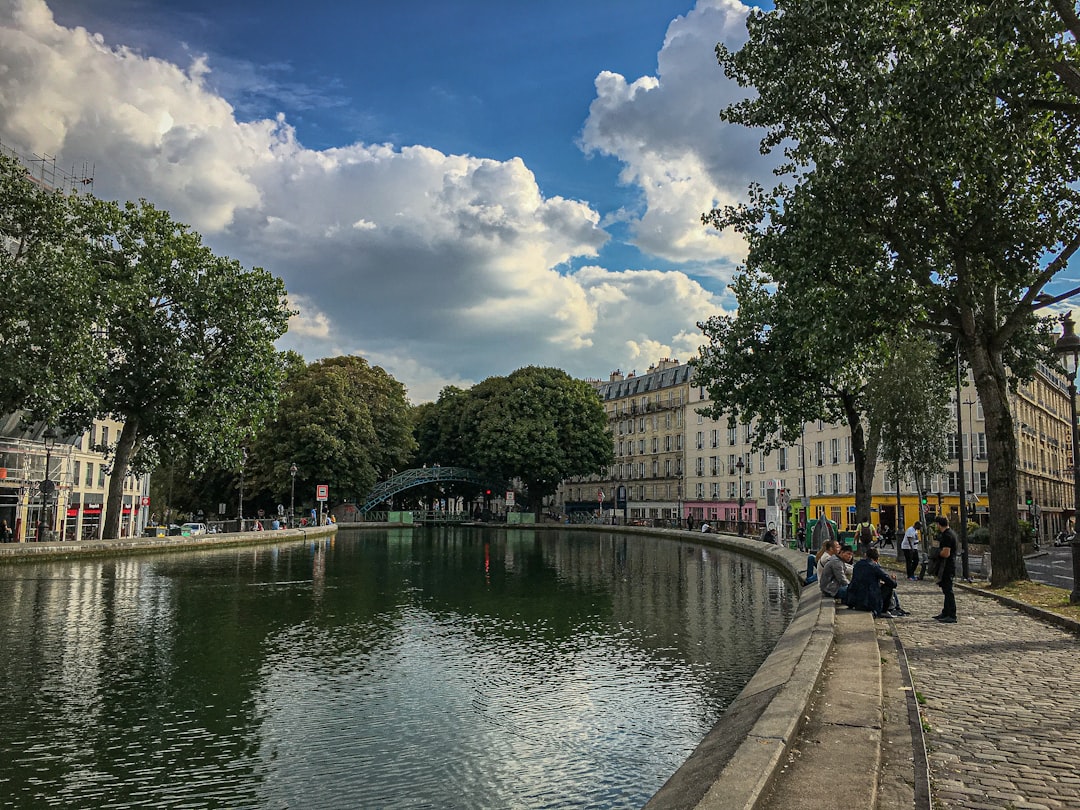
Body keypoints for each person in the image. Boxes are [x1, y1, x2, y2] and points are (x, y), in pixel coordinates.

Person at [845, 547, 897, 618]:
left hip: (854, 600)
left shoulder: (858, 565)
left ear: (866, 555)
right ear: (877, 558)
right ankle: (883, 610)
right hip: (869, 601)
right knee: (888, 586)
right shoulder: (874, 567)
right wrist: (892, 579)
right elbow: (892, 583)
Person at [933, 515, 958, 623]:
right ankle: (946, 611)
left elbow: (946, 553)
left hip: (947, 566)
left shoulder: (947, 536)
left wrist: (936, 553)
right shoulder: (951, 533)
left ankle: (951, 614)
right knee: (945, 589)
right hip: (948, 565)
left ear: (939, 524)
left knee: (948, 590)